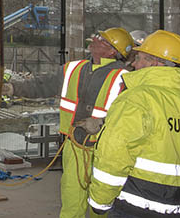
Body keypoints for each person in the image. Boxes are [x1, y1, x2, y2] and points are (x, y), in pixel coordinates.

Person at [89, 30, 180, 217]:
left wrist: (99, 201)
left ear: (155, 62)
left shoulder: (135, 100)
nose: (134, 64)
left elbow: (113, 156)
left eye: (140, 58)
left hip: (135, 207)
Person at [59, 27, 133, 218]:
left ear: (111, 51)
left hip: (107, 149)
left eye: (102, 39)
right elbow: (43, 84)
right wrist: (12, 87)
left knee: (102, 200)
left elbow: (133, 113)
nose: (95, 39)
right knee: (71, 196)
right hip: (75, 145)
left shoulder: (126, 77)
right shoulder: (74, 68)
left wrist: (102, 121)